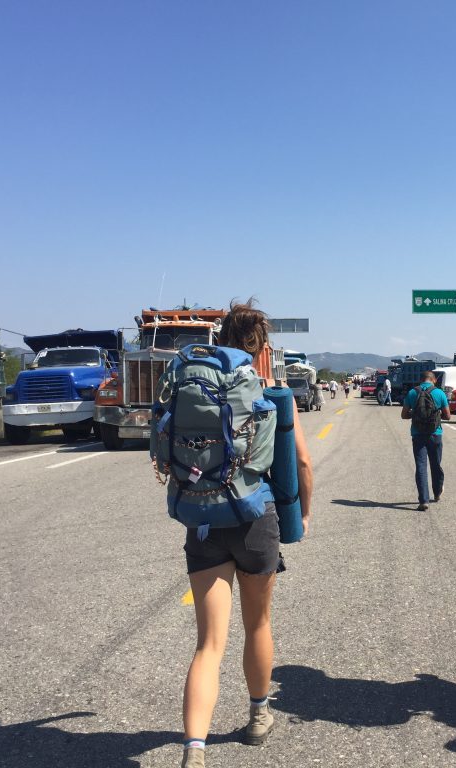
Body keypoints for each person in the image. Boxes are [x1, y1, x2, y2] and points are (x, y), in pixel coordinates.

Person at [180, 301, 314, 768]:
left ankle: (194, 749)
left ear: (220, 342)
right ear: (264, 349)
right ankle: (259, 715)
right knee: (257, 623)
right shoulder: (274, 394)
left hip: (203, 518)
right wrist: (304, 515)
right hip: (257, 520)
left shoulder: (194, 387)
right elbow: (301, 464)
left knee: (208, 643)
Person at [401, 370, 450, 511]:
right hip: (435, 434)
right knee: (436, 464)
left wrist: (415, 413)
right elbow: (448, 416)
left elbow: (404, 415)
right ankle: (437, 492)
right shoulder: (439, 392)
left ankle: (423, 500)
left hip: (417, 434)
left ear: (421, 380)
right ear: (433, 380)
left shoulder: (412, 392)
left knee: (421, 466)